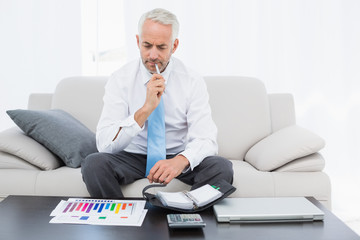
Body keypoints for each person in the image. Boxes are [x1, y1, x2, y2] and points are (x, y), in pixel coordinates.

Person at [81, 8, 233, 198]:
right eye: (147, 45)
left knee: (222, 168)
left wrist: (181, 160)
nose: (153, 55)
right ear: (138, 42)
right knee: (94, 164)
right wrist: (145, 109)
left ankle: (185, 212)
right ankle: (121, 218)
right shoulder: (120, 79)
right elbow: (104, 144)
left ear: (174, 46)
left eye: (161, 47)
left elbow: (206, 139)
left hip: (176, 154)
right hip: (133, 156)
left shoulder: (192, 80)